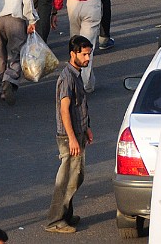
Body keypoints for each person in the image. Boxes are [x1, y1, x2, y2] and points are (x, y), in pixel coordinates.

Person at [45, 35, 94, 234]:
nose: (87, 58)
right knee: (66, 180)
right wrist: (73, 138)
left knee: (76, 176)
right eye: (84, 54)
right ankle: (55, 220)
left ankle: (66, 215)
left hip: (78, 133)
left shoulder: (76, 74)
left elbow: (80, 106)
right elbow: (64, 110)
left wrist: (87, 127)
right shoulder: (66, 78)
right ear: (73, 54)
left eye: (89, 54)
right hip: (68, 137)